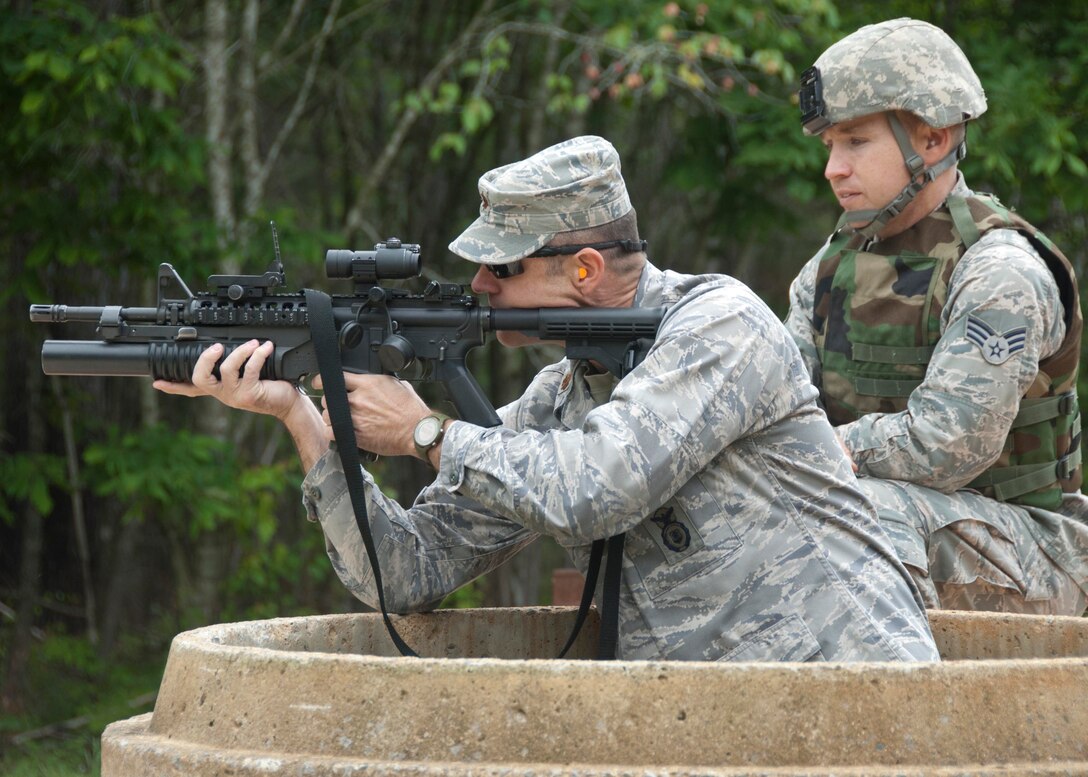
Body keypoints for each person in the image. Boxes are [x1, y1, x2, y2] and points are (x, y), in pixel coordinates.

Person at [157, 135, 938, 662]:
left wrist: (428, 431)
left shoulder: (718, 325)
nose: (481, 287)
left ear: (586, 270)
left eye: (503, 268)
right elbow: (408, 573)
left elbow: (597, 487)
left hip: (857, 694)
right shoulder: (557, 400)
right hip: (718, 722)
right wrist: (301, 418)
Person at [785, 18, 1088, 614]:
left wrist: (816, 450)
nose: (834, 169)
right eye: (830, 147)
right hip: (904, 523)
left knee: (857, 519)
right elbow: (776, 401)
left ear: (932, 139)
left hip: (1035, 551)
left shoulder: (998, 270)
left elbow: (948, 443)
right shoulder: (830, 267)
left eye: (855, 142)